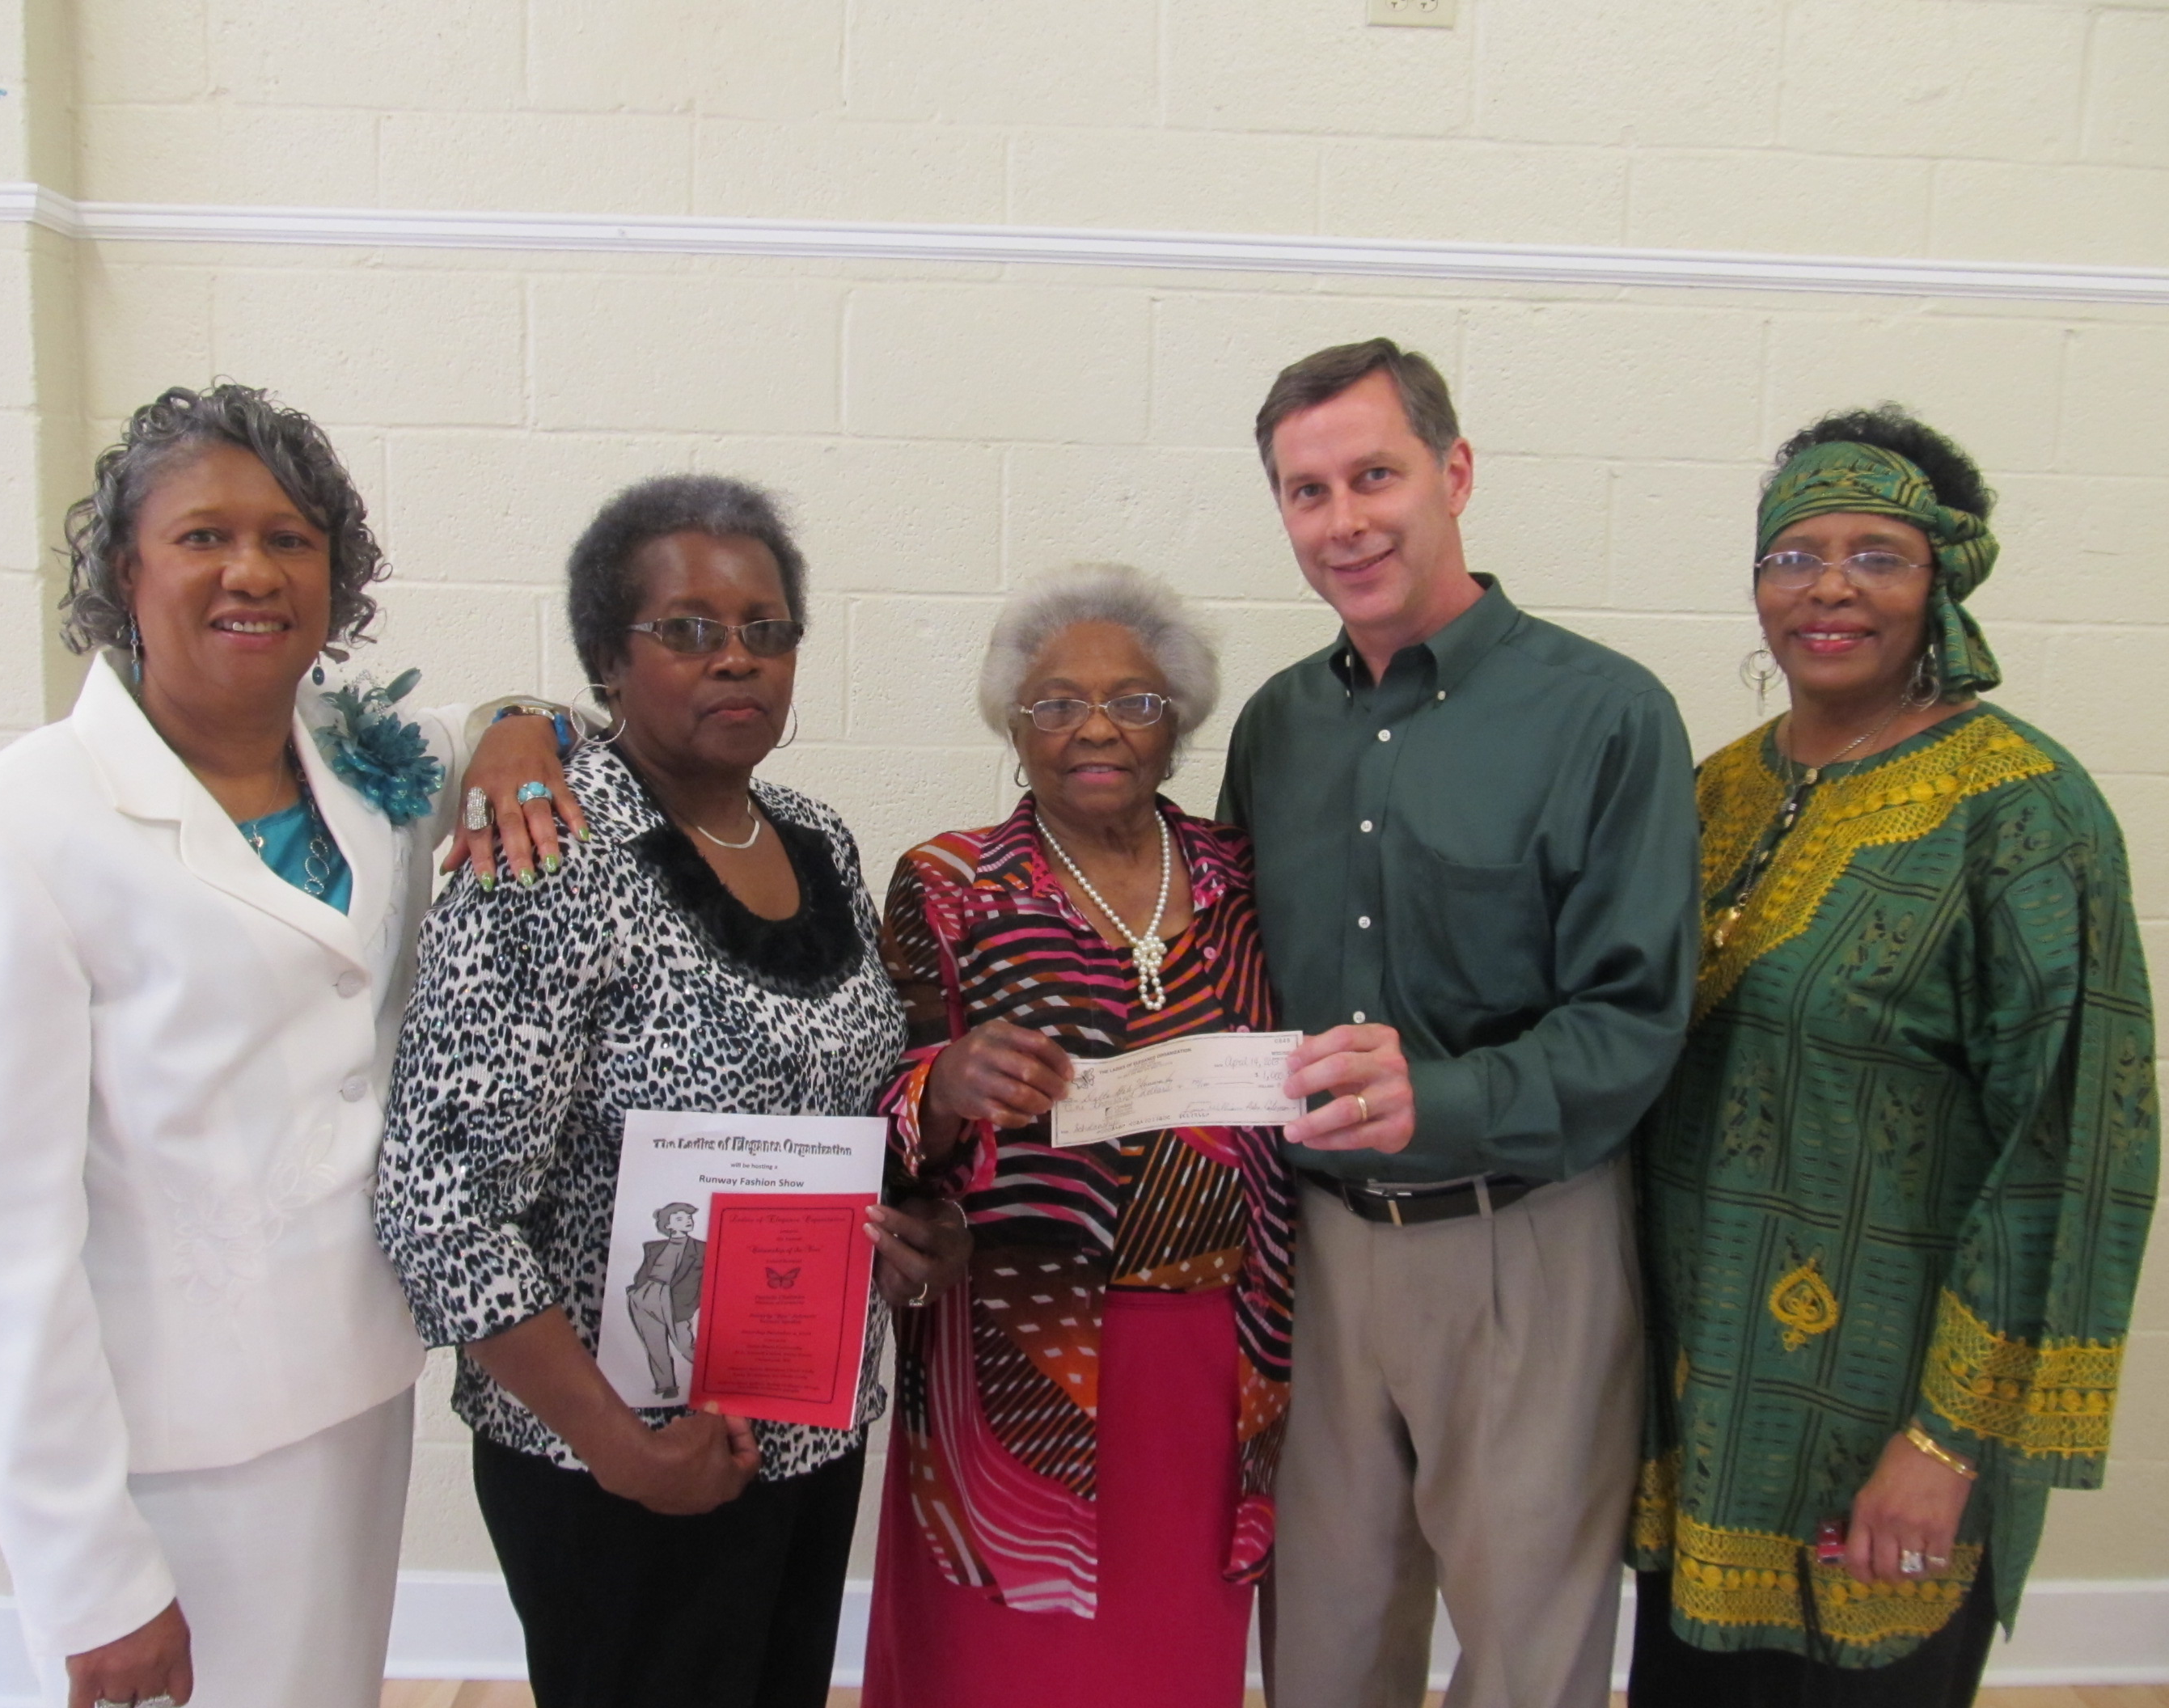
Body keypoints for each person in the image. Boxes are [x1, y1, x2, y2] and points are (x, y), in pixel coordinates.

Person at [0, 383, 577, 1708]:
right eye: (204, 535)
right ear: (123, 569)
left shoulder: (362, 761)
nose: (253, 569)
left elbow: (513, 731)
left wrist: (524, 720)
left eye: (291, 537)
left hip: (353, 1384)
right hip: (172, 1449)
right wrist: (91, 1575)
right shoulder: (15, 832)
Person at [374, 474, 970, 1708]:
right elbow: (440, 1205)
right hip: (616, 1456)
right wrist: (622, 1451)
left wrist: (907, 1223)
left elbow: (845, 1108)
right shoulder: (545, 855)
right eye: (688, 630)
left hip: (806, 1421)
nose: (734, 660)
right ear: (606, 654)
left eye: (765, 630)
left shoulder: (817, 836)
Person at [1627, 407, 2158, 1706]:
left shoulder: (2023, 814)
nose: (1827, 589)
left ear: (1943, 581)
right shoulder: (1715, 792)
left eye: (1877, 555)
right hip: (1703, 1417)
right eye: (1794, 553)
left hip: (1886, 1421)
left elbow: (2072, 1149)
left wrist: (1950, 1439)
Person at [1216, 339, 1702, 1708]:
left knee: (1527, 1656)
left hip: (1524, 1247)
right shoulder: (1275, 728)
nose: (1345, 519)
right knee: (1319, 1646)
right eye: (1306, 492)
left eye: (1375, 474)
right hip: (1313, 1253)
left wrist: (1445, 1095)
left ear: (1456, 472)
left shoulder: (1605, 716)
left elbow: (1634, 1019)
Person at [860, 563, 1296, 1708]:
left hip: (1214, 1349)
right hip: (1014, 1343)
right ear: (1014, 720)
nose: (1096, 727)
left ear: (1178, 724)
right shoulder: (952, 884)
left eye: (1135, 701)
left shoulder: (1244, 878)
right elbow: (879, 1101)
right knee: (1001, 1658)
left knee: (1169, 1650)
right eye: (1057, 702)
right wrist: (947, 1080)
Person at [628, 1204, 706, 1401]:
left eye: (689, 1217)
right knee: (654, 1343)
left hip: (677, 1299)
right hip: (646, 1295)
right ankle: (666, 1386)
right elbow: (645, 1270)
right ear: (668, 1225)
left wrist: (696, 1301)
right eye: (680, 1218)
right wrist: (635, 1290)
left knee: (685, 1344)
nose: (688, 1220)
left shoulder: (702, 1248)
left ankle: (715, 1375)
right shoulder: (653, 1247)